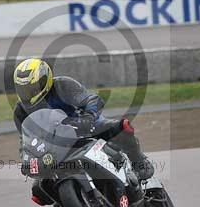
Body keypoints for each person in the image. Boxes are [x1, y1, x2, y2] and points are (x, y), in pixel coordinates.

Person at [12, 57, 154, 192]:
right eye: (23, 89)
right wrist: (26, 157)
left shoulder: (63, 85)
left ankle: (139, 160)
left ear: (45, 81)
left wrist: (88, 116)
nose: (28, 93)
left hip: (85, 127)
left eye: (32, 87)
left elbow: (91, 100)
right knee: (39, 189)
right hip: (55, 145)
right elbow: (26, 139)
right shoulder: (20, 111)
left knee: (122, 127)